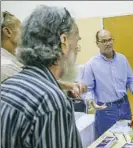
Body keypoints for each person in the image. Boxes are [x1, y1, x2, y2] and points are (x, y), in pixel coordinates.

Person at [1, 6, 83, 148]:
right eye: (77, 44)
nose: (77, 51)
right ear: (63, 42)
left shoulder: (8, 85)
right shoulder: (50, 101)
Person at [1, 10, 86, 98]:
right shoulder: (5, 66)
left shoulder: (14, 60)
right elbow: (35, 83)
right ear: (7, 32)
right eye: (21, 28)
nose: (25, 34)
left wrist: (68, 86)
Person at [81, 29, 133, 137]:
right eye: (104, 41)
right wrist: (90, 101)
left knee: (127, 138)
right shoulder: (91, 64)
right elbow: (88, 89)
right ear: (97, 44)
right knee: (108, 141)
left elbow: (131, 80)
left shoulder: (122, 59)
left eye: (110, 40)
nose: (108, 43)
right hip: (106, 110)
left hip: (124, 106)